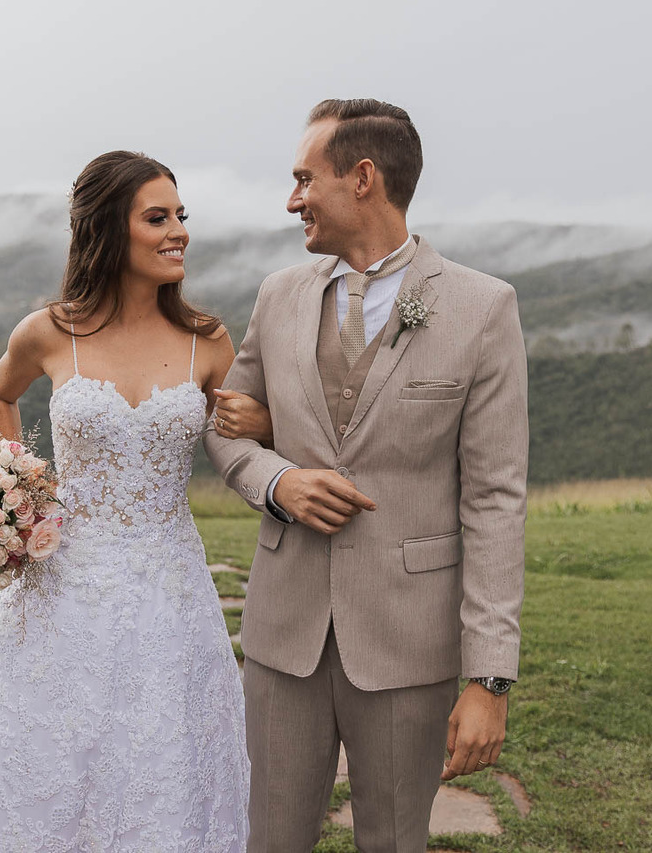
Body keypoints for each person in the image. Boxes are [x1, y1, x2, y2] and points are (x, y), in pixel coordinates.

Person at [0, 152, 250, 852]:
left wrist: (264, 433)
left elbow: (245, 431)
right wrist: (20, 489)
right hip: (61, 579)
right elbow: (0, 393)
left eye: (181, 215)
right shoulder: (51, 330)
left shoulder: (207, 341)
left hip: (169, 586)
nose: (178, 230)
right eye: (158, 217)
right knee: (41, 755)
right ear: (107, 232)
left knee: (158, 760)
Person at [204, 98, 528, 853]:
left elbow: (495, 499)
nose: (292, 200)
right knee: (268, 840)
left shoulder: (483, 308)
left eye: (303, 179)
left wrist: (489, 676)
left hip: (408, 641)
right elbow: (227, 426)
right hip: (284, 638)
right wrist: (278, 481)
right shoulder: (278, 295)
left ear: (362, 178)